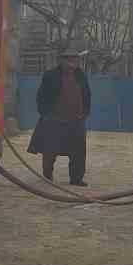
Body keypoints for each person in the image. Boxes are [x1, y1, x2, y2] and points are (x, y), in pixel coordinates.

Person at [30, 47, 91, 185]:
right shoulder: (51, 75)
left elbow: (87, 95)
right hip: (55, 119)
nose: (71, 62)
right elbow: (41, 97)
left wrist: (85, 113)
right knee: (50, 151)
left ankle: (76, 179)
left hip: (76, 120)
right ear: (62, 61)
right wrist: (46, 114)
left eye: (74, 59)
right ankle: (47, 176)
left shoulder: (80, 75)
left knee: (78, 152)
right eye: (68, 59)